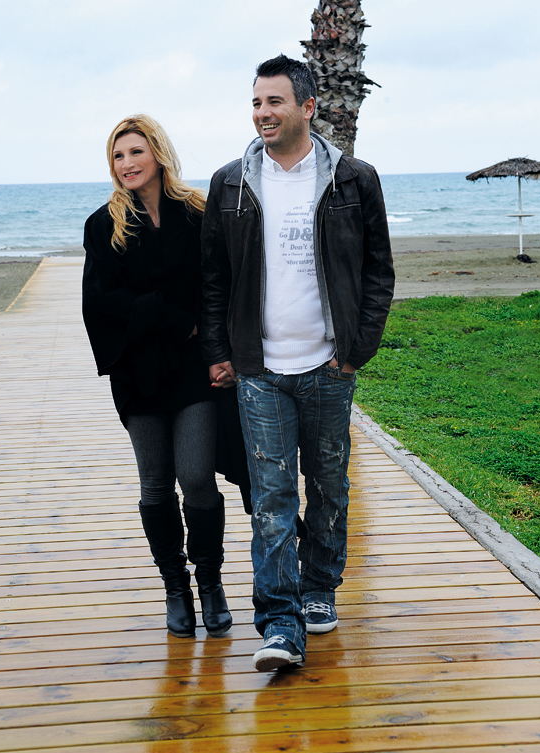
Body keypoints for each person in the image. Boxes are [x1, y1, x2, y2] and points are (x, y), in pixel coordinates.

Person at [201, 55, 394, 671]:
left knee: (329, 486)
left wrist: (356, 350)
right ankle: (280, 624)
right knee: (272, 495)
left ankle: (319, 589)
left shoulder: (354, 180)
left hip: (328, 367)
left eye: (274, 102)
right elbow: (214, 279)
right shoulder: (230, 183)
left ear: (308, 108)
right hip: (259, 371)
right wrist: (220, 353)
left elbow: (378, 272)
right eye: (256, 103)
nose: (262, 113)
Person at [82, 114, 232, 639]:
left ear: (158, 154)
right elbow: (101, 303)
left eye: (135, 152)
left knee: (197, 477)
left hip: (192, 367)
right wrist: (169, 316)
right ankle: (175, 587)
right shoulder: (104, 225)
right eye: (118, 155)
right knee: (154, 484)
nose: (127, 163)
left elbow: (219, 283)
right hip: (137, 369)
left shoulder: (197, 212)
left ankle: (210, 582)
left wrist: (220, 348)